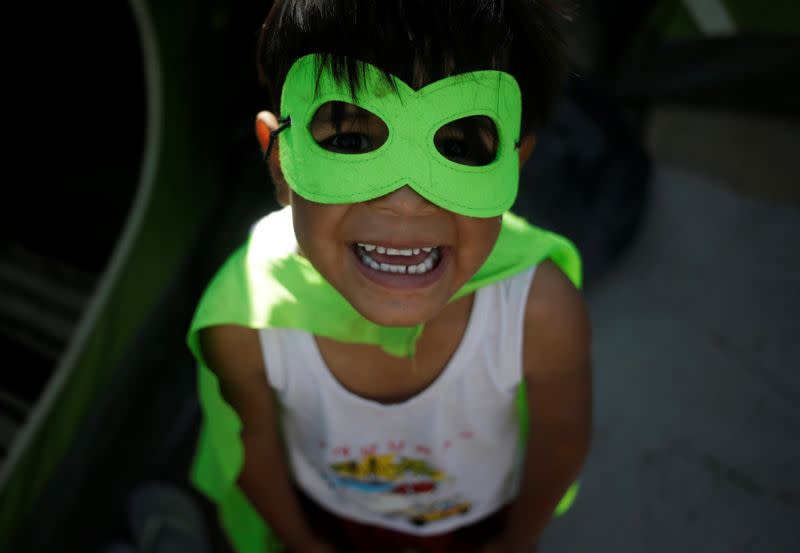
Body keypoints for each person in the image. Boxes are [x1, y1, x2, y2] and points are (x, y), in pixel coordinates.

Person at [188, 1, 591, 552]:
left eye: (456, 148)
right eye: (350, 140)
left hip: (473, 529)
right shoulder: (244, 325)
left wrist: (516, 542)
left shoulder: (539, 314)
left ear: (513, 167)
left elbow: (562, 441)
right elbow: (250, 448)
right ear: (281, 166)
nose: (405, 204)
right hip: (330, 523)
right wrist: (304, 544)